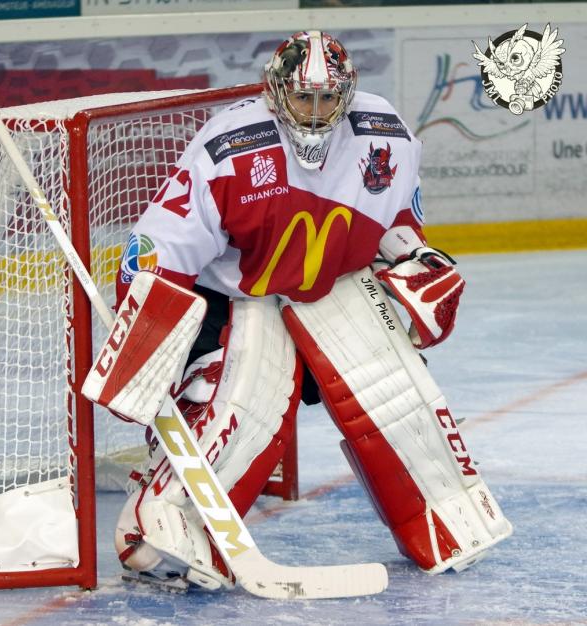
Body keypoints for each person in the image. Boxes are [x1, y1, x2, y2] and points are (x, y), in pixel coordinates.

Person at [83, 30, 511, 593]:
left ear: (348, 93)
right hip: (244, 294)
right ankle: (162, 530)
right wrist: (146, 337)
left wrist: (418, 257)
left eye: (327, 98)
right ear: (276, 91)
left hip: (338, 287)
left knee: (402, 398)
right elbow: (158, 249)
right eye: (302, 97)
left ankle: (449, 521)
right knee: (240, 409)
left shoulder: (388, 136)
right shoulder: (230, 146)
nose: (314, 112)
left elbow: (397, 221)